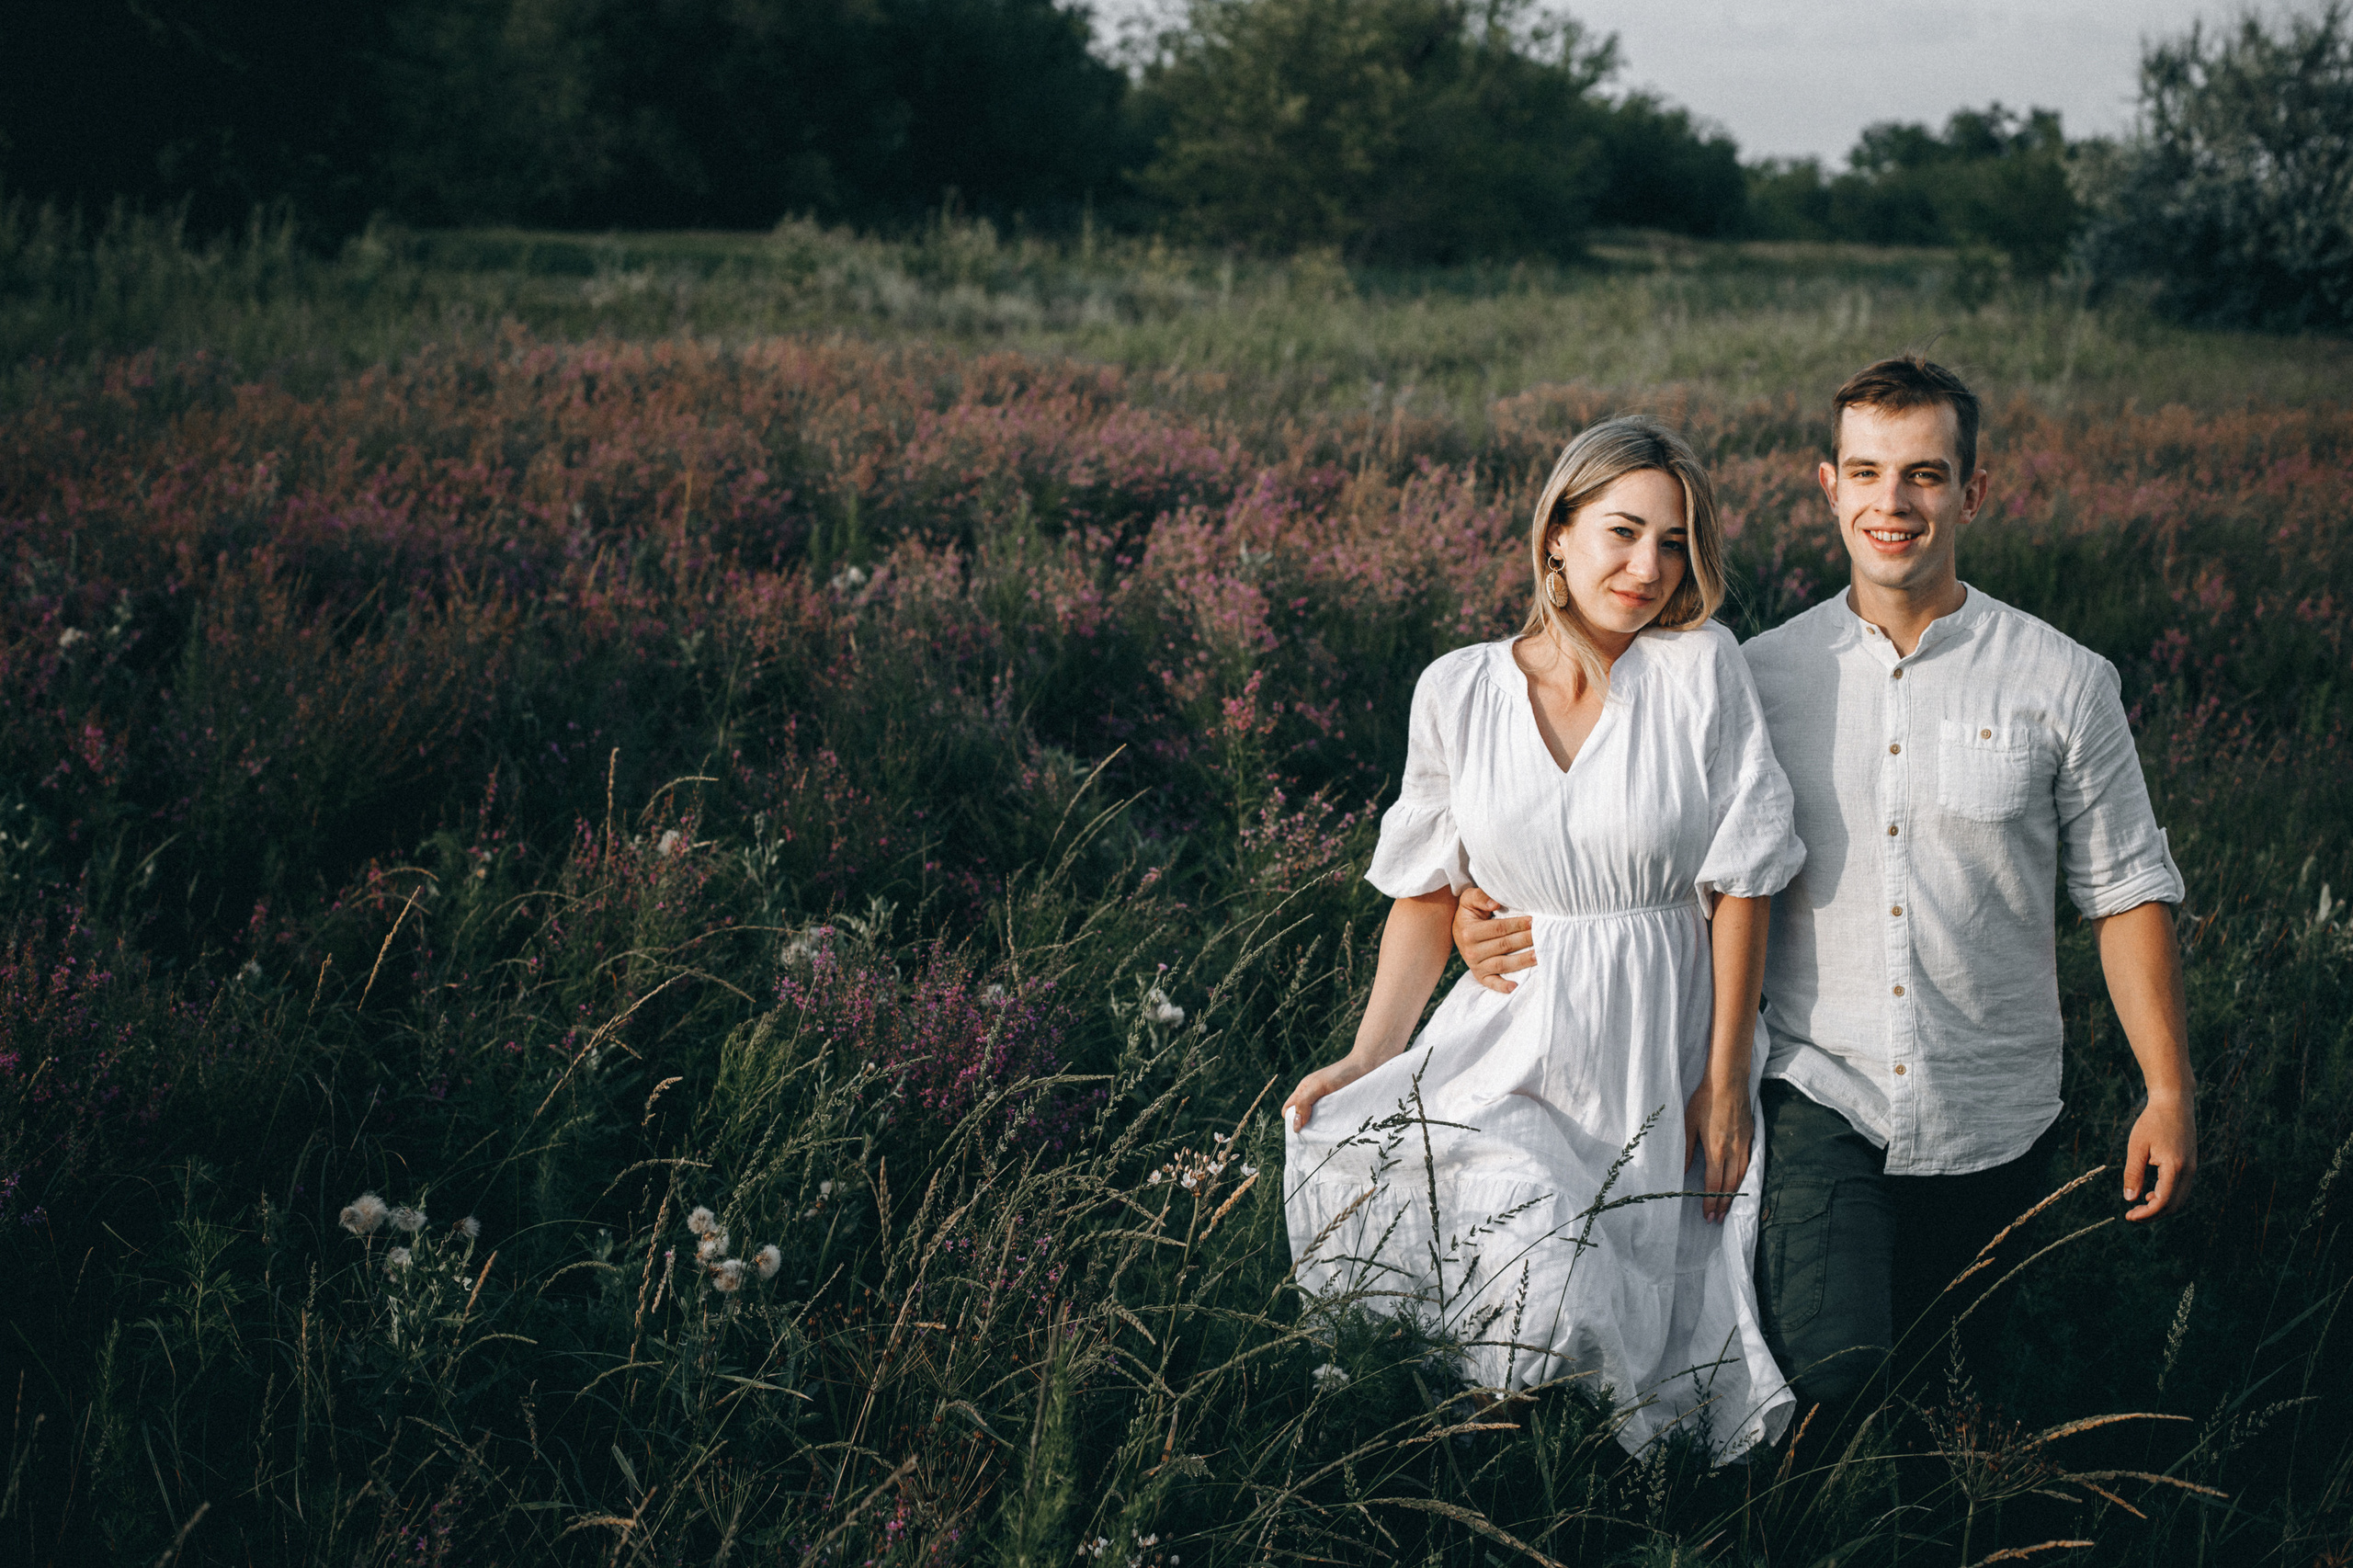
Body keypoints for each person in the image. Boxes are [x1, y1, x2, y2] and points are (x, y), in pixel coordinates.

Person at [1450, 356, 2197, 1417]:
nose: (1894, 503)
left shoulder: (2064, 680)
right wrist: (1481, 912)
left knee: (1965, 1398)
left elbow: (2126, 891)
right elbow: (1612, 820)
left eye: (1926, 475)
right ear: (1829, 487)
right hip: (1814, 1093)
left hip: (1999, 1105)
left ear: (1970, 493)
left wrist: (2166, 1088)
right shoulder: (1750, 674)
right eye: (1868, 472)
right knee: (1835, 1381)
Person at [1281, 415, 1805, 1460]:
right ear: (1556, 532)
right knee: (1521, 1242)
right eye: (1621, 531)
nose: (1648, 566)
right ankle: (1465, 1470)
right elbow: (1428, 892)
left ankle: (1561, 1490)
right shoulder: (1459, 688)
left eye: (1673, 542)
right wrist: (1368, 1052)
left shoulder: (1701, 668)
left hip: (1659, 1039)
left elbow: (1743, 882)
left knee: (1638, 1314)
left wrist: (1723, 1081)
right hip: (1512, 1035)